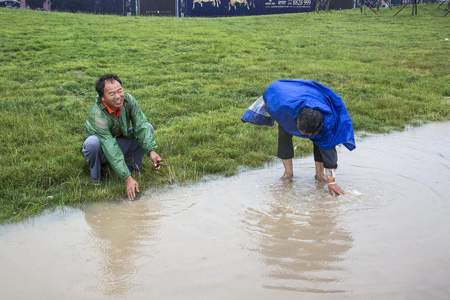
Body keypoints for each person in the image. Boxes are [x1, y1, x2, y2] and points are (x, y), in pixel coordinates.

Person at [242, 79, 356, 196]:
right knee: (284, 131)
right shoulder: (283, 109)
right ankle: (288, 174)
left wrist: (332, 182)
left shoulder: (328, 122)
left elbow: (329, 152)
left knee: (322, 140)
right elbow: (271, 94)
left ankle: (320, 175)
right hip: (285, 95)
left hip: (314, 97)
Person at [82, 74, 162, 200]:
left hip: (119, 137)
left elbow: (141, 125)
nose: (118, 96)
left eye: (120, 91)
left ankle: (134, 168)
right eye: (112, 94)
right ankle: (96, 179)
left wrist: (151, 150)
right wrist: (127, 178)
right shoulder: (97, 114)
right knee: (92, 143)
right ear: (103, 98)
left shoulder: (128, 100)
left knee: (148, 127)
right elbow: (109, 145)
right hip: (102, 147)